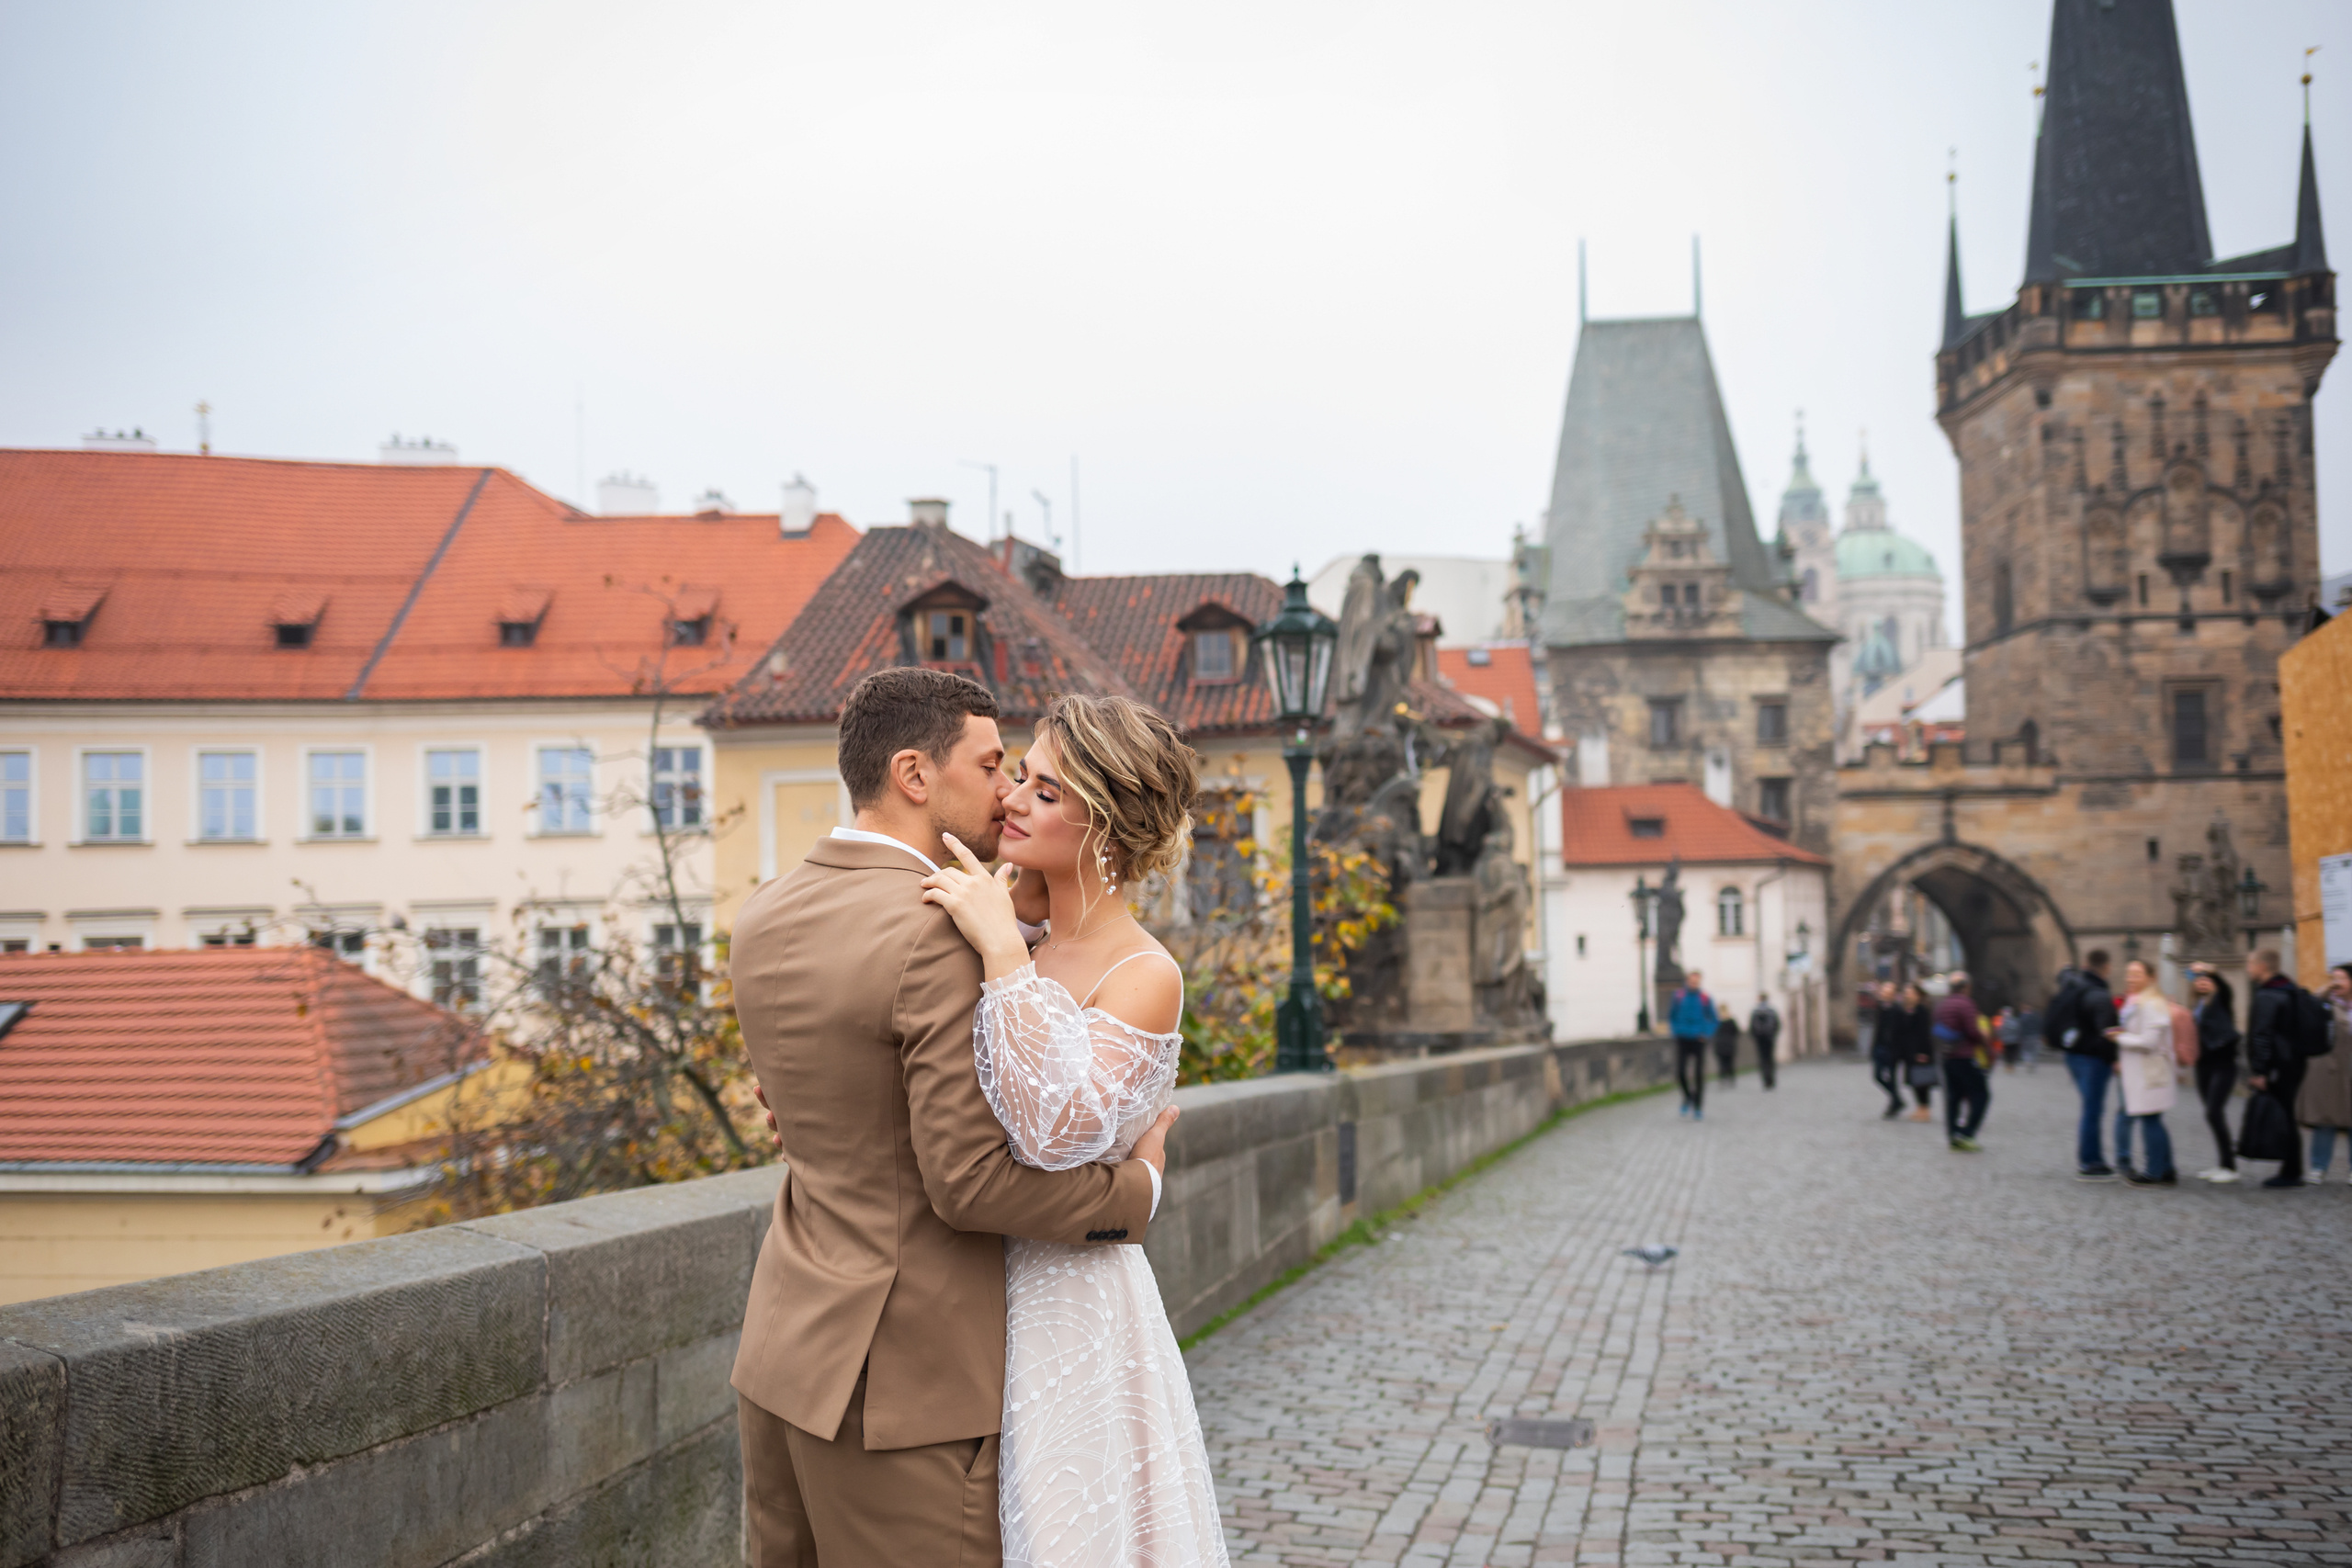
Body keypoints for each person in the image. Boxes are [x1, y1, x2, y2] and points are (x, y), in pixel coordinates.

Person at [726, 671, 1198, 1566]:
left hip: (786, 1340)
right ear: (913, 775)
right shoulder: (941, 931)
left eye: (1031, 780)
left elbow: (838, 1097)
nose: (1007, 793)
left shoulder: (766, 911)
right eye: (995, 767)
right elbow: (968, 1180)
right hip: (910, 1373)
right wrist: (1137, 1189)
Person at [918, 692, 1228, 1564]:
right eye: (1020, 775)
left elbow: (1052, 1134)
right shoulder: (1008, 927)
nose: (1013, 799)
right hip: (971, 1294)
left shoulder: (1144, 970)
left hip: (1072, 1312)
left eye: (1046, 792)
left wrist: (1005, 957)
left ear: (1109, 830)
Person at [2047, 951, 2122, 1179]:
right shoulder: (2098, 993)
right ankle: (2091, 1160)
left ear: (2086, 965)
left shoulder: (2073, 987)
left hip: (2074, 1055)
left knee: (2090, 1108)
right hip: (2093, 1058)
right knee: (2092, 1109)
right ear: (2106, 967)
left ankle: (2091, 1158)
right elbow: (2108, 1031)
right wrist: (2114, 1058)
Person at [2106, 958, 2179, 1186]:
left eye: (2137, 974)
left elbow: (2149, 1041)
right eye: (2129, 973)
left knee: (2150, 1120)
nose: (2131, 978)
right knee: (2153, 1119)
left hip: (2149, 1070)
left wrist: (2120, 1038)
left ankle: (2155, 1172)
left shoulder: (2151, 1003)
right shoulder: (2140, 1001)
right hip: (2142, 1070)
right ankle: (2165, 1169)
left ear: (2150, 977)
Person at [2246, 948, 2314, 1190]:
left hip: (2277, 1065)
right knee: (2287, 1114)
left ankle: (2291, 1172)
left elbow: (2262, 1035)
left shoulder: (2268, 995)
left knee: (2285, 1116)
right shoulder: (2289, 989)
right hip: (2293, 1062)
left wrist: (2260, 1071)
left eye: (2250, 964)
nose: (2248, 969)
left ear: (2262, 967)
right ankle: (2291, 1169)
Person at [2295, 964, 2352, 1184]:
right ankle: (2319, 1166)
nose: (2336, 982)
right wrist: (2327, 989)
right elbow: (2307, 1006)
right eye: (2333, 978)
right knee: (2325, 1118)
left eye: (2341, 978)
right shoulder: (2325, 1003)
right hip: (2330, 1070)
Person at [2187, 965, 2243, 1183]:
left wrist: (2214, 971)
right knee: (2212, 1114)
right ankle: (2222, 1163)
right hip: (2204, 1065)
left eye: (2208, 980)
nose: (2203, 982)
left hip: (2223, 1064)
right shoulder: (2198, 1005)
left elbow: (2227, 988)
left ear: (2216, 984)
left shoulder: (2222, 1002)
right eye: (2199, 980)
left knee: (2213, 1112)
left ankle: (2230, 1167)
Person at [1932, 972, 1991, 1151]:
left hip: (1947, 1057)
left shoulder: (1942, 1005)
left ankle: (1953, 1134)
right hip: (1965, 1056)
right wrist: (1984, 1040)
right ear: (1966, 987)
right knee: (1981, 1095)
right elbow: (1972, 1031)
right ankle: (1967, 1133)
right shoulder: (1966, 1003)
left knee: (1953, 1097)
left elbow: (1935, 1028)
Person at [1669, 970, 1718, 1121]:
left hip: (1699, 1039)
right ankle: (1688, 1097)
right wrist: (1676, 1031)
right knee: (1680, 1072)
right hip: (1682, 1038)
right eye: (1691, 981)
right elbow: (1672, 1016)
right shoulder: (1678, 996)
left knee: (1698, 1074)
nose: (1693, 984)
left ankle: (1698, 1106)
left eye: (1696, 982)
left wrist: (1707, 1033)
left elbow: (1714, 1019)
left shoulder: (1705, 998)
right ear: (1687, 981)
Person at [1888, 980, 1937, 1122]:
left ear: (1917, 995)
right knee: (1915, 1081)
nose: (1906, 995)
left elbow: (1924, 1033)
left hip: (1921, 1052)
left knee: (1923, 1082)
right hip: (1910, 1052)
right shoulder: (1908, 1010)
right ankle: (1920, 1108)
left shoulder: (1922, 1010)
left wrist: (1923, 1052)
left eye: (1909, 992)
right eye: (1906, 992)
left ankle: (1925, 1109)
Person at [1868, 980, 1906, 1117]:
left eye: (1888, 992)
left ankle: (1894, 1104)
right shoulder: (1880, 1008)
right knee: (1878, 1076)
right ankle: (1897, 1099)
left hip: (1893, 1050)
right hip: (1880, 1047)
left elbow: (1902, 1032)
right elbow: (1877, 1030)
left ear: (1893, 995)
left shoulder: (1898, 1010)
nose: (1884, 994)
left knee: (1893, 1078)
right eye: (1883, 991)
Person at [1747, 996, 1781, 1089]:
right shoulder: (1771, 1011)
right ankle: (1771, 1080)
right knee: (1770, 1058)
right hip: (1770, 1038)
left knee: (1762, 1059)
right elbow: (1777, 1024)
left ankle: (1765, 1080)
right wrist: (1774, 1034)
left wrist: (1755, 1037)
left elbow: (1752, 1027)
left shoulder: (1755, 1012)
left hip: (1759, 1039)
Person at [1713, 1006, 1741, 1086]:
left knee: (1721, 1063)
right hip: (1730, 1044)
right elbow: (1737, 1032)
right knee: (1730, 1062)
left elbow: (1712, 1032)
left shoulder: (1716, 1021)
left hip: (1719, 1044)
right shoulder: (1731, 1020)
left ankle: (1722, 1078)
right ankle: (1731, 1078)